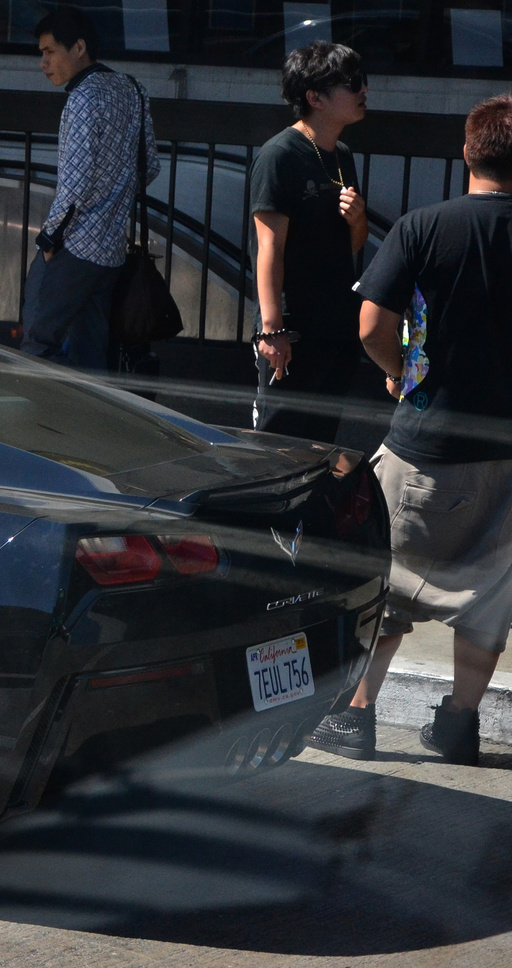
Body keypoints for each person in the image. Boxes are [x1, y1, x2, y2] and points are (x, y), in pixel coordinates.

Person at [306, 93, 512, 766]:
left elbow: (371, 325)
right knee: (487, 598)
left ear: (466, 153)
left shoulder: (425, 228)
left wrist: (401, 373)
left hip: (430, 440)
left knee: (385, 581)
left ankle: (356, 717)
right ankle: (459, 725)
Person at [20, 5, 158, 370]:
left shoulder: (82, 98)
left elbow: (75, 182)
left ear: (78, 48)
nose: (44, 63)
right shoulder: (133, 89)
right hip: (111, 248)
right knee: (91, 348)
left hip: (74, 243)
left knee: (37, 340)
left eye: (50, 52)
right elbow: (151, 166)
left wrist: (49, 240)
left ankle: (38, 418)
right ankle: (90, 420)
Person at [250, 42, 370, 443]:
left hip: (335, 323)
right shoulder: (279, 155)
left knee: (321, 444)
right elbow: (269, 247)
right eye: (352, 83)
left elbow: (353, 246)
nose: (363, 90)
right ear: (315, 98)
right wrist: (271, 330)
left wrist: (357, 220)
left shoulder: (343, 154)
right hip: (294, 327)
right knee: (277, 442)